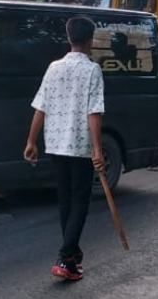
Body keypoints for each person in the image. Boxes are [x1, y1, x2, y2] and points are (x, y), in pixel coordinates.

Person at [24, 16, 107, 281]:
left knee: (65, 200)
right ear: (90, 40)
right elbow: (94, 112)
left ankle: (71, 260)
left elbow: (41, 107)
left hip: (56, 144)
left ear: (69, 38)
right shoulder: (92, 70)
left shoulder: (53, 68)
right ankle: (64, 255)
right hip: (80, 146)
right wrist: (97, 149)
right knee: (80, 201)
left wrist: (31, 141)